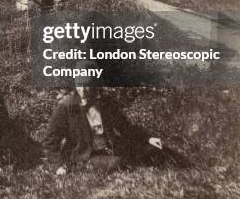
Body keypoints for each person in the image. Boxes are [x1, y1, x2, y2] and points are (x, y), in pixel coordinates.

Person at [43, 65, 180, 176]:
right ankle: (132, 161)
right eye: (79, 85)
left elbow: (126, 127)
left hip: (109, 148)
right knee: (118, 163)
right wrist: (58, 166)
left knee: (156, 148)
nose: (83, 90)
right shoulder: (66, 107)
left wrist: (148, 138)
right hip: (83, 155)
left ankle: (182, 164)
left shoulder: (105, 102)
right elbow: (50, 140)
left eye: (87, 84)